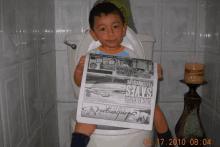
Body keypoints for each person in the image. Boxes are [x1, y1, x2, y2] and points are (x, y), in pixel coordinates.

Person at [71, 2, 174, 147]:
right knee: (84, 121)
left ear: (124, 29)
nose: (110, 33)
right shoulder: (91, 56)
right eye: (102, 29)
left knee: (154, 109)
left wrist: (151, 75)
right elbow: (80, 83)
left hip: (128, 102)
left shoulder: (131, 54)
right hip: (101, 102)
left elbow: (141, 80)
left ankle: (167, 141)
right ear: (94, 34)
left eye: (115, 26)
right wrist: (79, 72)